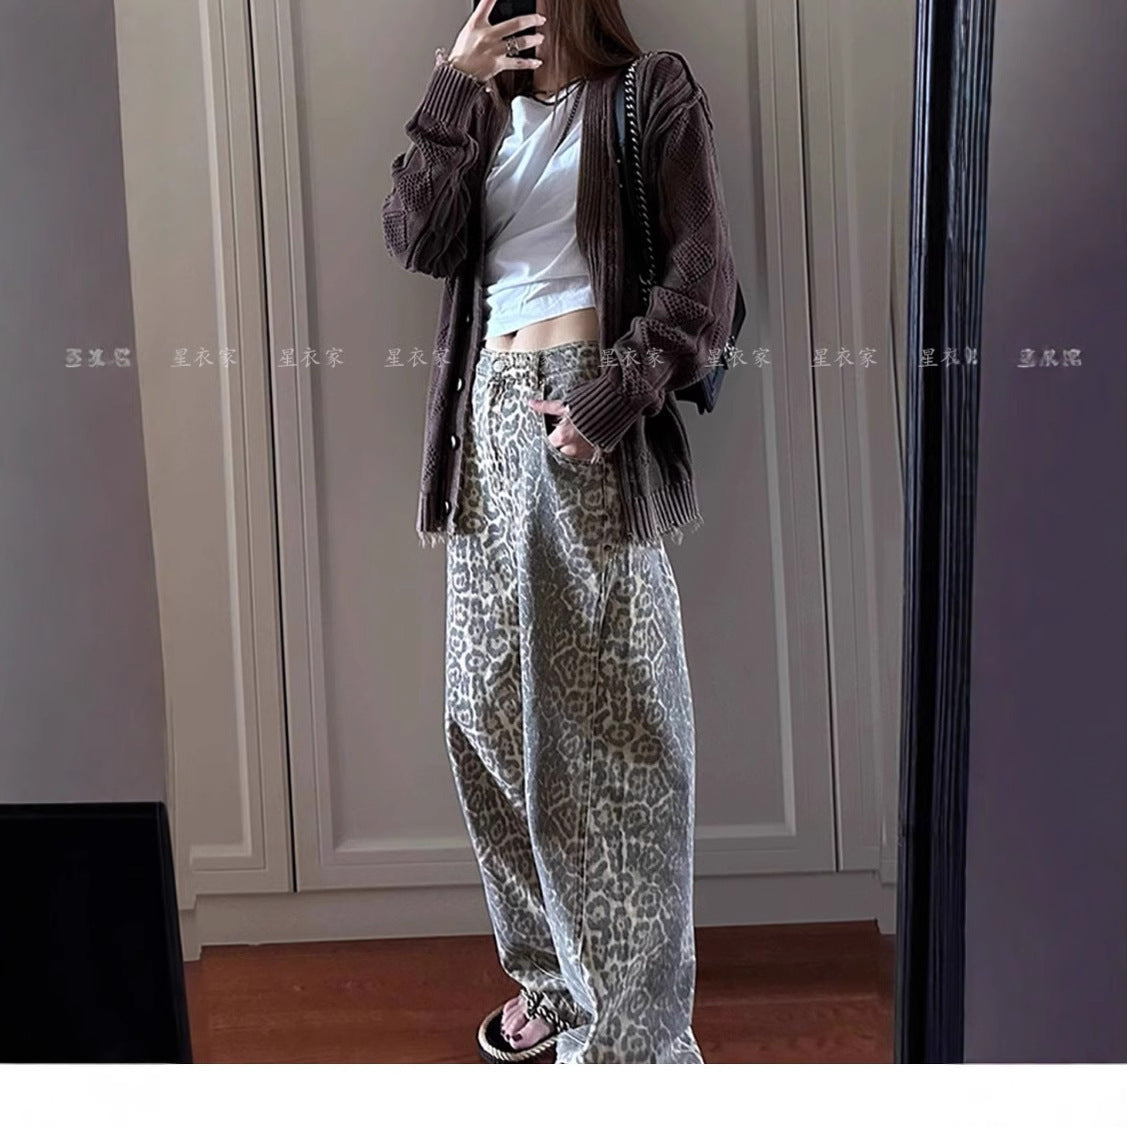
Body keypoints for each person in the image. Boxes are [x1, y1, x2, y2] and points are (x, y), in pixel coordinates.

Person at [381, 0, 738, 1064]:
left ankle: (634, 1044)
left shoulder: (648, 92)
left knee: (610, 745)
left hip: (579, 418)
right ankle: (557, 979)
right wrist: (452, 86)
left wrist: (612, 394)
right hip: (482, 427)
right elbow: (414, 237)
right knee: (483, 716)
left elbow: (703, 281)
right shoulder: (483, 113)